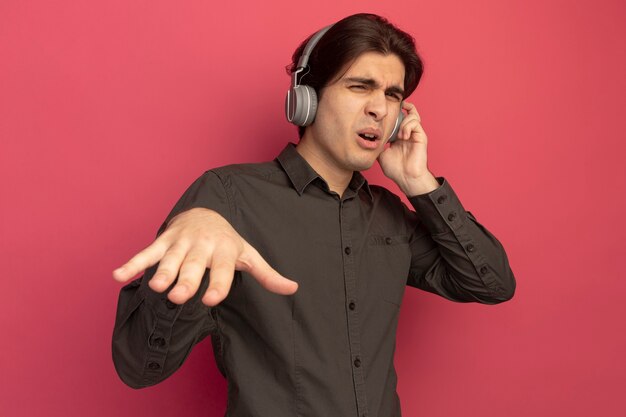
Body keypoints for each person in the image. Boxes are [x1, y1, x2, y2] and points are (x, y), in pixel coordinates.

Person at [111, 13, 516, 417]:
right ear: (307, 98)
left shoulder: (389, 214)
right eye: (360, 87)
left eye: (393, 95)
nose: (379, 108)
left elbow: (492, 284)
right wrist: (195, 255)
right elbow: (139, 366)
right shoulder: (227, 198)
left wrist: (419, 182)